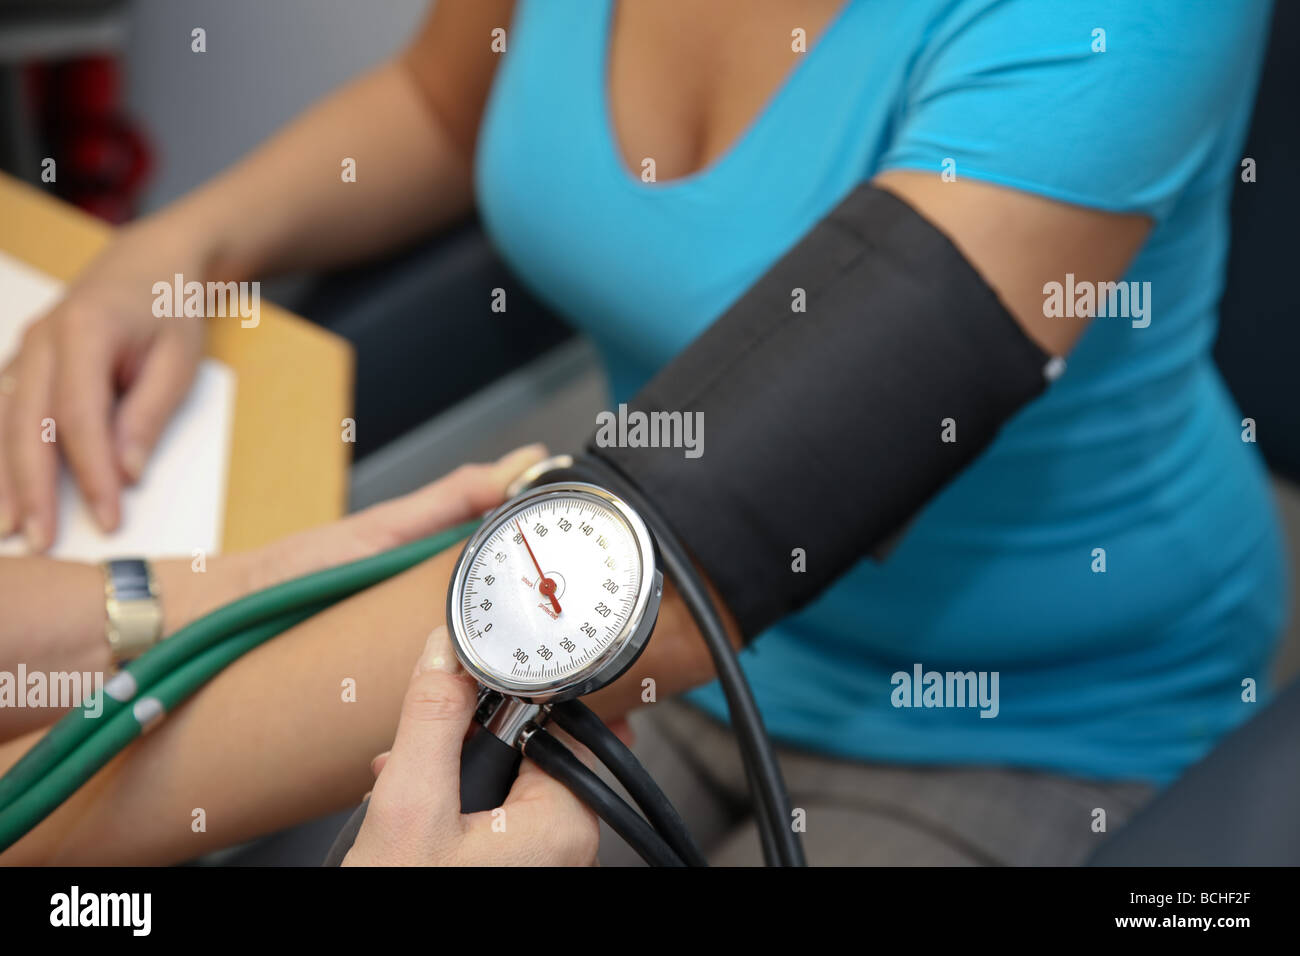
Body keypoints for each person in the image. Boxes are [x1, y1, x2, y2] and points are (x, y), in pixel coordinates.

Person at [0, 0, 1286, 864]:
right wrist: (178, 250)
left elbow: (688, 542)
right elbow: (452, 106)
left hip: (1016, 709)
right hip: (620, 639)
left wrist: (49, 794)